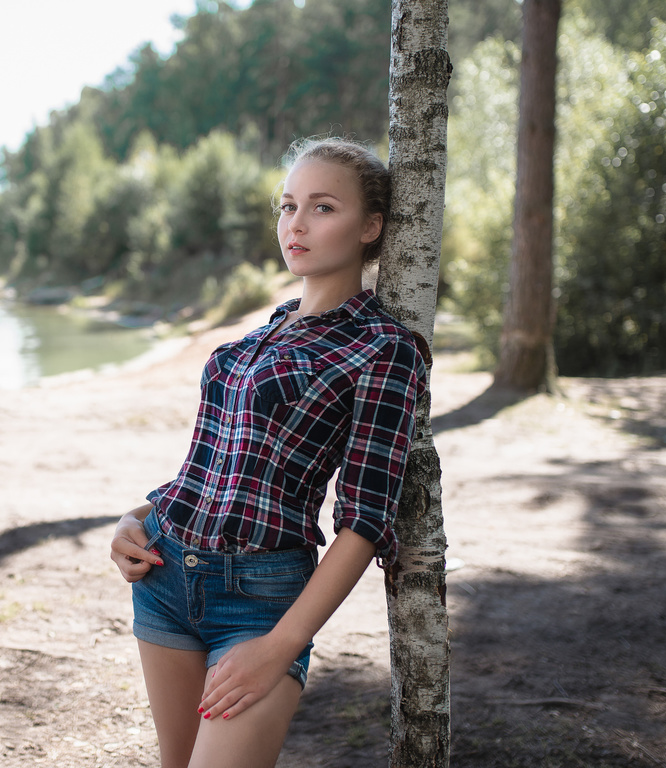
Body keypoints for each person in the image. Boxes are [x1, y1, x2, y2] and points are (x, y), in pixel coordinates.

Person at [109, 137, 428, 768]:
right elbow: (209, 466)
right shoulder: (265, 330)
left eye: (322, 207)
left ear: (371, 227)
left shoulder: (385, 348)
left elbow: (365, 519)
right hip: (165, 577)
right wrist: (136, 519)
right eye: (287, 206)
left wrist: (283, 644)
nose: (297, 224)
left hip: (258, 599)